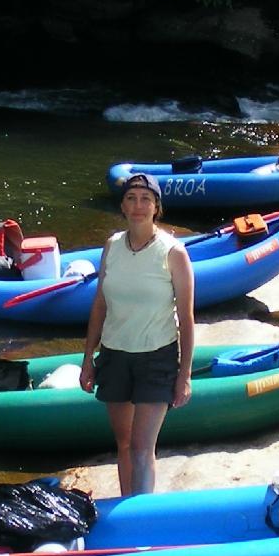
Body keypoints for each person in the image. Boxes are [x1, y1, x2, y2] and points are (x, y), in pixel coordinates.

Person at [78, 171, 195, 496]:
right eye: (132, 198)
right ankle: (127, 505)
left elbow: (186, 318)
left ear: (156, 207)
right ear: (123, 206)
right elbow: (100, 305)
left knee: (143, 447)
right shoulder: (112, 246)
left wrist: (183, 375)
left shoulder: (173, 253)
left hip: (157, 358)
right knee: (125, 444)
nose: (139, 205)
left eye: (146, 199)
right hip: (114, 356)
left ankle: (141, 519)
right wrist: (89, 359)